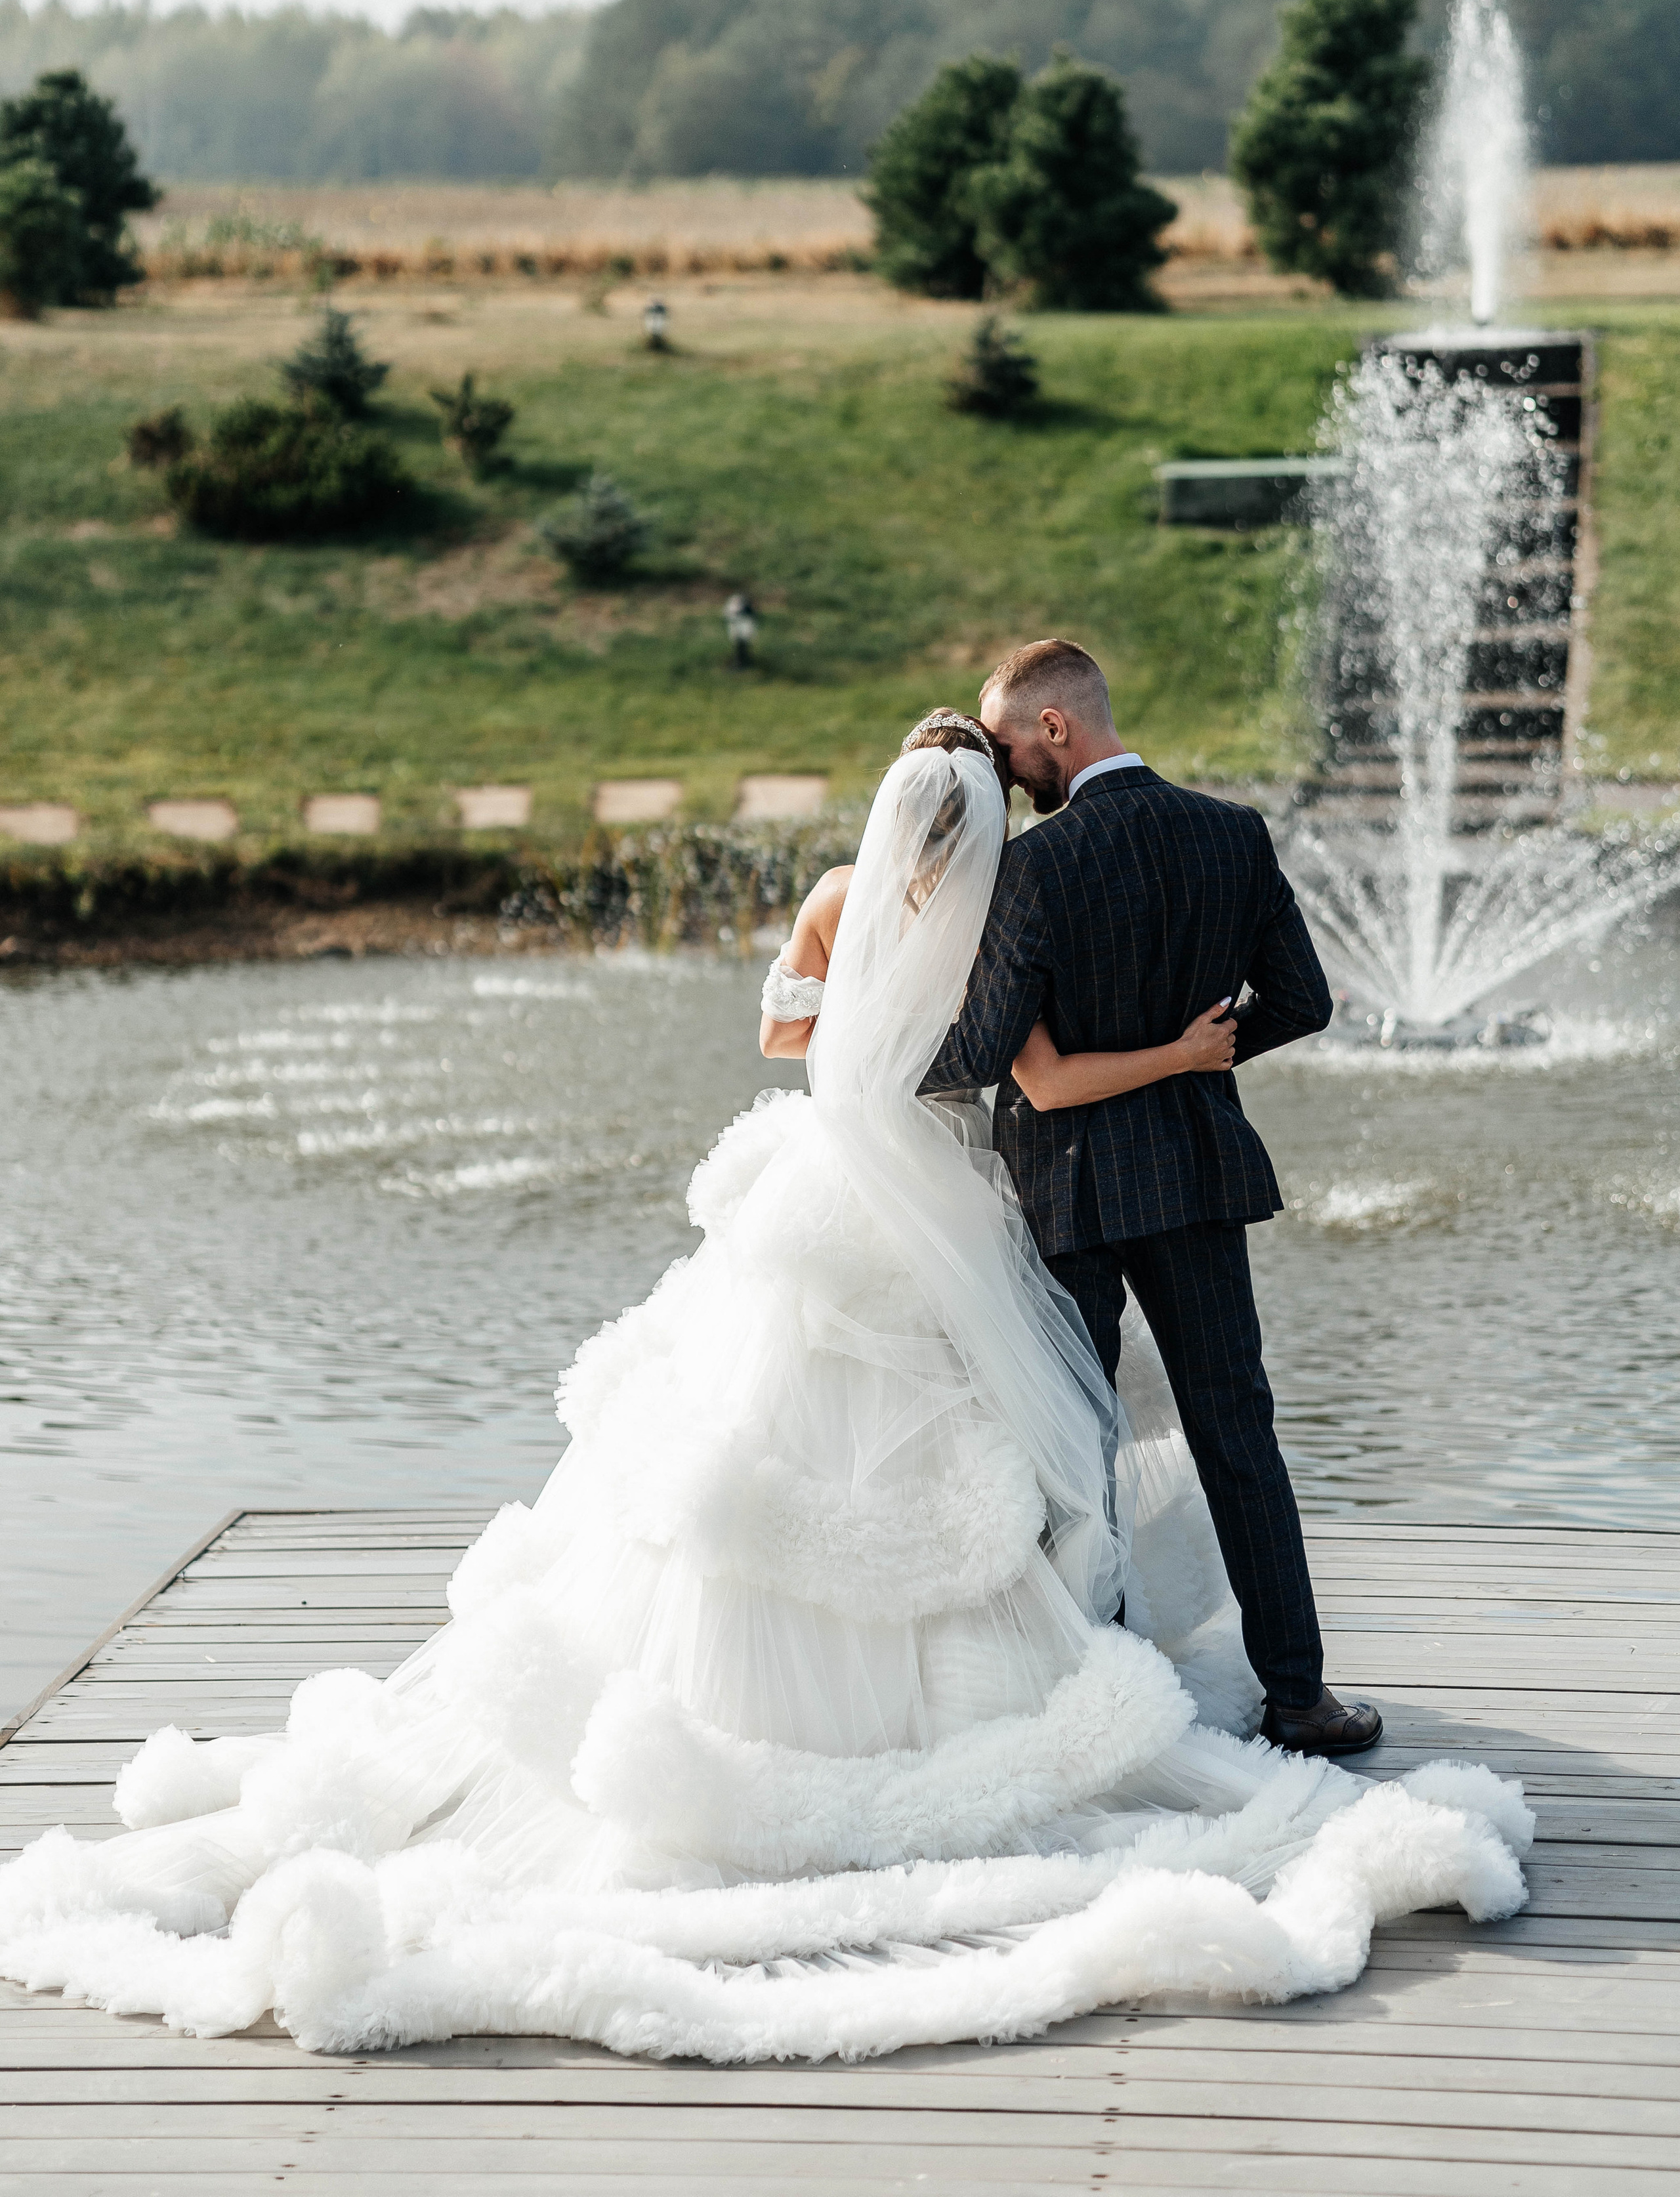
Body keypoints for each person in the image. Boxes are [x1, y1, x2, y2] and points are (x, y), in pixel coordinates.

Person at [0, 714, 1528, 2063]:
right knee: (1049, 1443)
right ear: (985, 810)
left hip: (847, 1193)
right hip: (968, 1201)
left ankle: (903, 1677)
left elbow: (794, 1028)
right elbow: (1026, 1074)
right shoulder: (1009, 905)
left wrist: (840, 1036)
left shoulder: (855, 901)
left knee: (796, 1437)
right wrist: (1180, 1049)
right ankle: (1208, 1677)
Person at [919, 642, 1376, 1759]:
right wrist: (1204, 1056)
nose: (1007, 764)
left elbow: (975, 1055)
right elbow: (1304, 1001)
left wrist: (872, 1039)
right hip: (1199, 1172)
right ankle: (1302, 1698)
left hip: (1068, 1188)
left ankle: (1111, 1692)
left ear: (1058, 729)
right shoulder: (1235, 833)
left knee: (1082, 1446)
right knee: (1239, 1435)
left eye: (1013, 738)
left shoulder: (1034, 870)